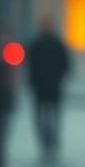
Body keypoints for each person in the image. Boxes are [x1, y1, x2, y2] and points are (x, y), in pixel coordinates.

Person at [26, 18, 69, 158]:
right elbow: (65, 64)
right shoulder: (56, 44)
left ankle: (46, 140)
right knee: (52, 114)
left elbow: (30, 66)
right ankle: (51, 139)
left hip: (42, 86)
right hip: (52, 85)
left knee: (43, 114)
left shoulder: (36, 44)